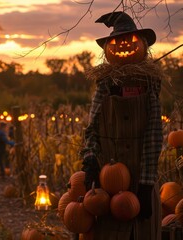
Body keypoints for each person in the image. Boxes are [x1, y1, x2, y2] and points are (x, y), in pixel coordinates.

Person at [80, 11, 165, 239]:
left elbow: (154, 135)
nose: (124, 44)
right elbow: (92, 127)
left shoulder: (149, 84)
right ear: (108, 49)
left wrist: (146, 184)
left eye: (131, 39)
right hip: (107, 187)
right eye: (117, 41)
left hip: (141, 180)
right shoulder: (105, 84)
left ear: (144, 46)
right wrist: (90, 159)